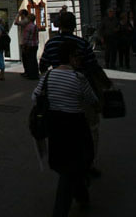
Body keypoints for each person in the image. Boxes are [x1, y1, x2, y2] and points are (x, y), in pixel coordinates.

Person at [33, 39, 99, 217]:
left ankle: (83, 197)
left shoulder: (48, 76)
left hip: (55, 125)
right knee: (73, 167)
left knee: (70, 165)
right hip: (75, 125)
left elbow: (35, 96)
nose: (79, 59)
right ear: (70, 57)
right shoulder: (78, 78)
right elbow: (92, 100)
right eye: (77, 56)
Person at [39, 10, 110, 177]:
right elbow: (93, 67)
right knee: (91, 127)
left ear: (59, 25)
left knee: (59, 127)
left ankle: (63, 159)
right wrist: (106, 84)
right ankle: (90, 161)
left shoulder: (51, 43)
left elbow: (42, 66)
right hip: (79, 89)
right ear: (74, 25)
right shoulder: (82, 43)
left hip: (56, 92)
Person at [22, 13, 39, 80]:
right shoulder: (35, 26)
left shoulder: (28, 27)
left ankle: (31, 74)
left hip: (29, 45)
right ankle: (35, 74)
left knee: (29, 60)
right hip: (35, 44)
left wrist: (24, 46)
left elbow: (26, 38)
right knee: (34, 60)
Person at [15, 9, 30, 75]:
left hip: (24, 41)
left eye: (21, 14)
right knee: (26, 58)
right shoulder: (27, 21)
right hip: (25, 41)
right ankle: (27, 71)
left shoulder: (25, 21)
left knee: (25, 58)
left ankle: (27, 71)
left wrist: (17, 15)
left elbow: (16, 22)